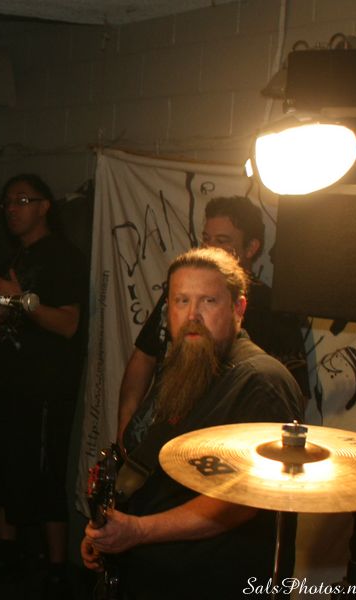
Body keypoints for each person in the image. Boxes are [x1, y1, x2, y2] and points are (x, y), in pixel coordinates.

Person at [82, 247, 303, 599]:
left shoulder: (261, 381)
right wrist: (108, 529)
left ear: (238, 309)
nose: (192, 315)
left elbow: (241, 502)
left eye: (208, 301)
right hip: (148, 573)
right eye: (181, 301)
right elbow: (146, 467)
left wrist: (138, 530)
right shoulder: (186, 364)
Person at [116, 195, 309, 447]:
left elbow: (288, 396)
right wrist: (126, 427)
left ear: (238, 309)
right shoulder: (176, 295)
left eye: (222, 241)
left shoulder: (273, 312)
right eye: (206, 239)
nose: (192, 314)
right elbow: (144, 357)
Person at [0, 174, 87, 593]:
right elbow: (16, 311)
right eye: (8, 202)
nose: (12, 209)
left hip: (45, 386)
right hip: (7, 379)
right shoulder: (14, 255)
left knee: (44, 472)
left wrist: (20, 301)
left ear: (45, 206)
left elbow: (68, 323)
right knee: (3, 465)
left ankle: (58, 567)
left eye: (22, 200)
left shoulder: (63, 256)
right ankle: (9, 553)